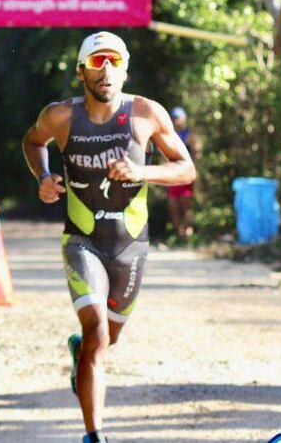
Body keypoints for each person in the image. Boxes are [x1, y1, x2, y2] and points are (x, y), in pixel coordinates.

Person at [21, 32, 195, 443]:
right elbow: (33, 141)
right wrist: (43, 176)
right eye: (97, 62)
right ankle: (94, 435)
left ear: (125, 70)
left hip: (130, 245)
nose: (106, 70)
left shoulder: (146, 113)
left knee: (106, 338)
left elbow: (186, 169)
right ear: (81, 71)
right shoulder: (60, 116)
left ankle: (81, 353)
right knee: (97, 330)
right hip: (82, 240)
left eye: (114, 62)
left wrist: (142, 171)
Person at [167, 106, 200, 239]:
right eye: (173, 118)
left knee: (185, 202)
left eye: (177, 118)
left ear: (184, 118)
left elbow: (196, 154)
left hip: (185, 173)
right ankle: (179, 233)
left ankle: (189, 230)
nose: (175, 121)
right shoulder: (169, 134)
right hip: (172, 173)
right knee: (173, 204)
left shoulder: (190, 134)